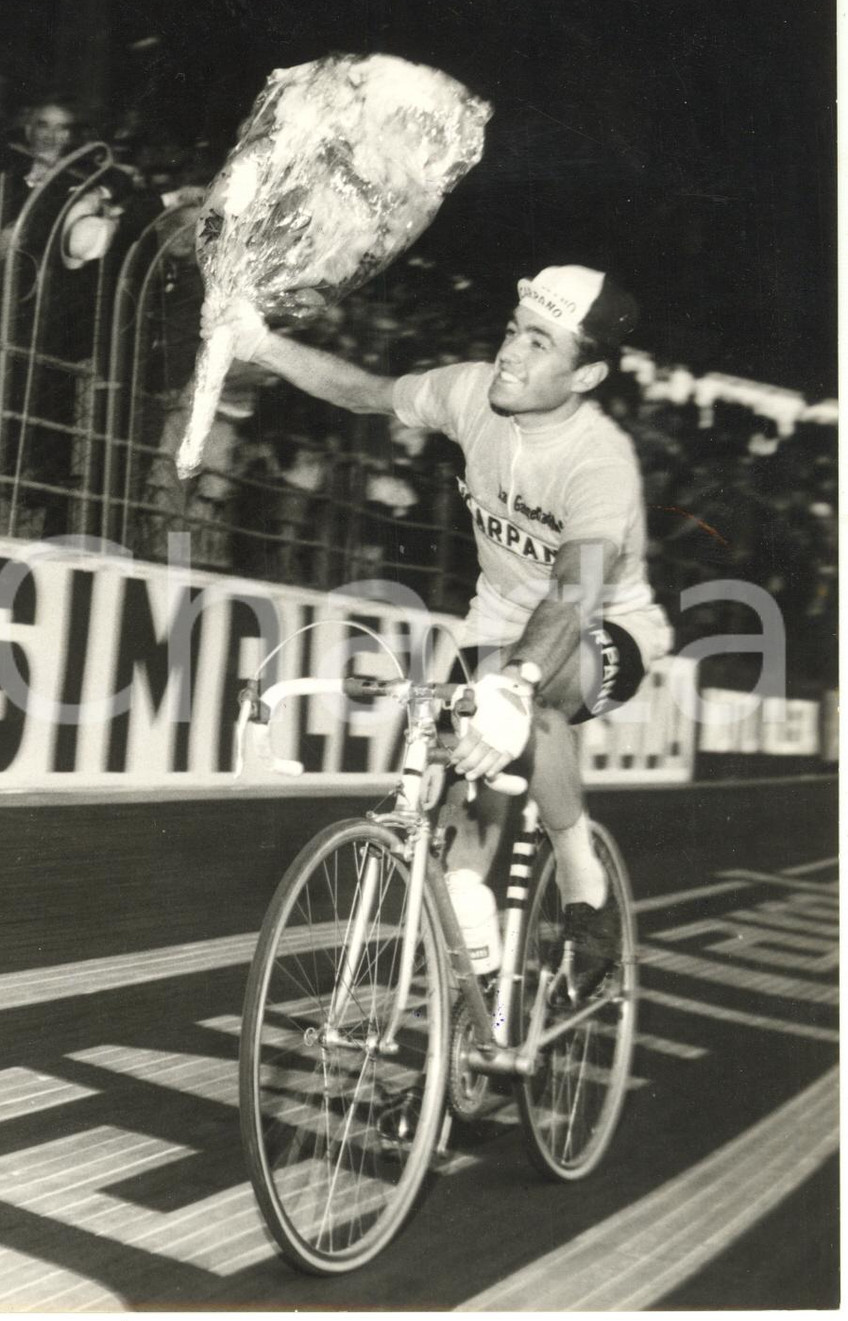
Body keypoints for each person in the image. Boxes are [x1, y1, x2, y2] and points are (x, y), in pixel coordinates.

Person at [212, 265, 673, 997]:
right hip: (495, 622)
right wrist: (262, 345)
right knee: (458, 809)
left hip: (604, 627)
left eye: (540, 344)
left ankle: (588, 892)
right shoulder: (471, 394)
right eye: (514, 332)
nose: (511, 355)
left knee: (521, 697)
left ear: (586, 376)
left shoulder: (600, 460)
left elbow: (578, 588)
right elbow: (363, 392)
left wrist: (518, 681)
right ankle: (476, 972)